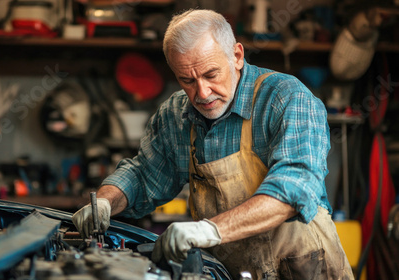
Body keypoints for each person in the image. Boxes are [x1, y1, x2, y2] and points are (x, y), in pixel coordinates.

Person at [73, 9, 353, 279]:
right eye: (187, 80)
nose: (202, 93)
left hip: (306, 270)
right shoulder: (176, 115)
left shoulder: (286, 99)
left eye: (211, 74)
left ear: (237, 56)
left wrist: (208, 231)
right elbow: (144, 175)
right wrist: (106, 202)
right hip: (233, 272)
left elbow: (294, 189)